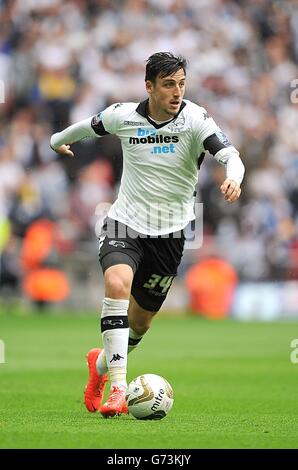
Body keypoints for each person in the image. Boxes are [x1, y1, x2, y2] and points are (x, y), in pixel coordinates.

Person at [50, 52, 245, 418]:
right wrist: (56, 140)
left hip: (170, 234)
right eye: (169, 84)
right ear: (150, 86)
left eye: (181, 83)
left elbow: (230, 154)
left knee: (140, 323)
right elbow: (84, 127)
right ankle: (119, 390)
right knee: (117, 282)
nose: (177, 91)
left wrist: (234, 176)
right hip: (124, 222)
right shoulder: (123, 115)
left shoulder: (195, 119)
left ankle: (101, 368)